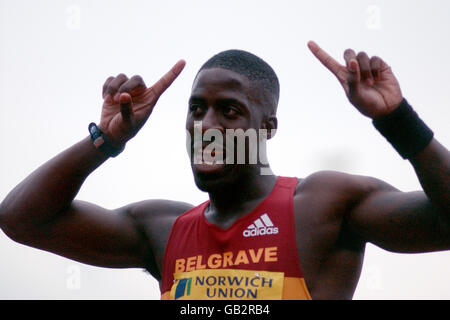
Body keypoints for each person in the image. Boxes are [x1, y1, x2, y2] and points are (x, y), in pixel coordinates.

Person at [0, 41, 448, 300]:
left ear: (266, 128)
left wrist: (398, 121)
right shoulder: (163, 230)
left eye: (229, 111)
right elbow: (21, 219)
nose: (206, 126)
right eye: (196, 109)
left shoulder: (323, 205)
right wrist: (105, 140)